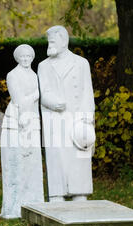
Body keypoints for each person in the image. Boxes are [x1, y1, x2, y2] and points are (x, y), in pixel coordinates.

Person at [37, 26, 96, 202]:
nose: (50, 45)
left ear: (64, 40)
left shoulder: (81, 63)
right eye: (49, 42)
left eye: (53, 41)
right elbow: (42, 92)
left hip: (78, 119)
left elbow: (87, 92)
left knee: (79, 159)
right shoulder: (43, 66)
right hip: (54, 120)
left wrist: (87, 119)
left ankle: (80, 194)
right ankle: (57, 194)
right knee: (56, 159)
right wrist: (51, 102)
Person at [0, 44, 44, 218]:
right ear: (18, 58)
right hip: (17, 120)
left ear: (32, 57)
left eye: (28, 56)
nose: (25, 60)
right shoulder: (12, 75)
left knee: (31, 162)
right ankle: (15, 206)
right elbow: (19, 100)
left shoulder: (34, 75)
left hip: (32, 119)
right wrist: (37, 94)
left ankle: (34, 201)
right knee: (17, 161)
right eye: (22, 57)